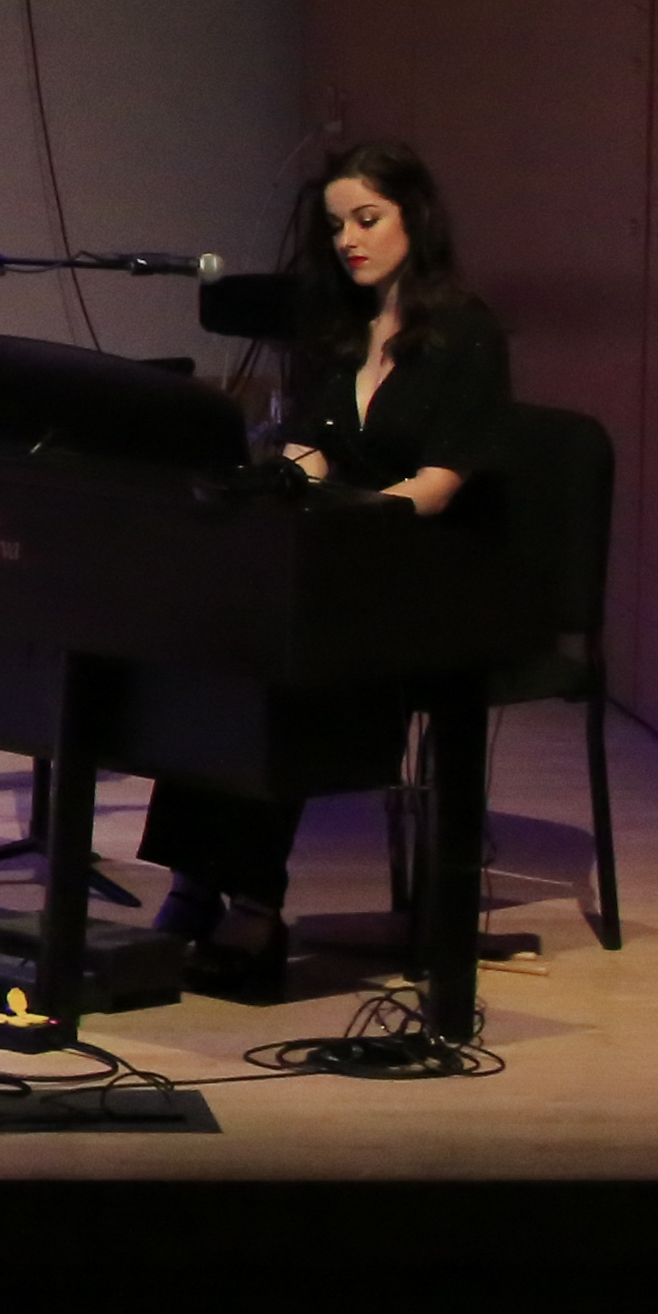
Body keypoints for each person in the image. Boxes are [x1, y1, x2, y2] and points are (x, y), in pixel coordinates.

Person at [143, 140, 511, 985]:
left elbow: (440, 482)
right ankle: (195, 875)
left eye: (367, 219)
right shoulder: (339, 329)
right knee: (219, 642)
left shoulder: (465, 331)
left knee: (288, 657)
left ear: (416, 216)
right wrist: (278, 480)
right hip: (347, 549)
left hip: (427, 560)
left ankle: (255, 905)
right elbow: (313, 444)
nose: (350, 239)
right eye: (338, 224)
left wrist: (354, 514)